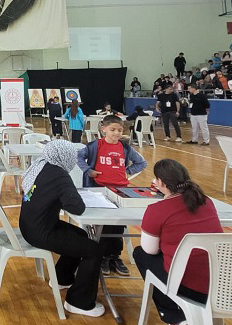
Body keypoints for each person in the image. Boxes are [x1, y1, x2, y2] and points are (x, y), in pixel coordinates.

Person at [18, 139, 106, 317]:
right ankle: (79, 302)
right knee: (94, 250)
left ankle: (61, 278)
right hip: (41, 232)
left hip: (31, 226)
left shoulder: (42, 165)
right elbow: (77, 207)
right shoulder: (59, 175)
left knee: (81, 235)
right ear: (65, 157)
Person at [133, 159, 222, 325]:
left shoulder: (157, 210)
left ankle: (174, 316)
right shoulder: (206, 201)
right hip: (220, 283)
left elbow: (150, 250)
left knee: (140, 254)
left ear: (160, 182)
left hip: (188, 286)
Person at [77, 115, 147, 276]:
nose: (116, 133)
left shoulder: (125, 148)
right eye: (112, 129)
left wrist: (127, 171)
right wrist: (88, 171)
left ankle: (114, 256)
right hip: (99, 190)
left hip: (120, 191)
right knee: (104, 224)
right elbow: (79, 156)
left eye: (120, 130)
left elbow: (142, 163)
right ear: (103, 129)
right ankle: (102, 256)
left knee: (118, 225)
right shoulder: (95, 146)